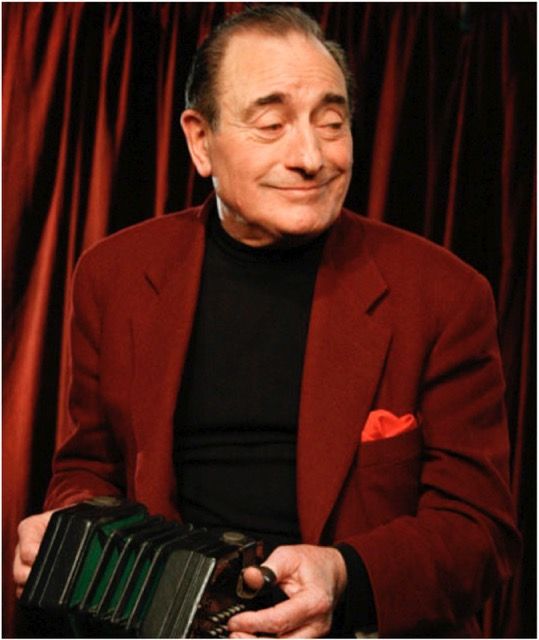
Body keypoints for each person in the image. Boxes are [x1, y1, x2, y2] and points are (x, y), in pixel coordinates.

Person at [13, 6, 520, 638]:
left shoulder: (443, 294)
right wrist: (67, 530)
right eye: (272, 124)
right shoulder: (114, 275)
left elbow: (479, 531)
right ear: (201, 141)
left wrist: (343, 576)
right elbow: (89, 468)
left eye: (331, 123)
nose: (310, 156)